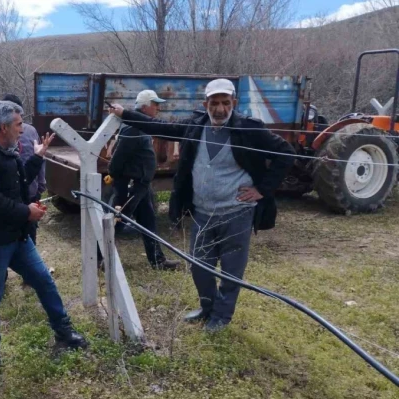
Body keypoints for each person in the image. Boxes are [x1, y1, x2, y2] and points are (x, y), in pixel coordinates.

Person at [109, 79, 295, 332]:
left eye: (225, 103)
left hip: (236, 213)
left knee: (231, 271)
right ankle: (207, 308)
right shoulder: (196, 125)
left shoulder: (249, 129)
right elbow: (159, 127)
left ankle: (221, 316)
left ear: (234, 103)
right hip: (202, 212)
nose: (220, 109)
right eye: (215, 103)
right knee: (199, 266)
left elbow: (286, 152)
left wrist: (262, 190)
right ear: (205, 103)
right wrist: (125, 114)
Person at [0, 101, 88, 371]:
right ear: (4, 126)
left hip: (17, 238)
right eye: (19, 124)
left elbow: (17, 185)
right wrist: (26, 212)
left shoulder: (7, 150)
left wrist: (38, 156)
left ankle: (64, 332)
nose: (23, 129)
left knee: (44, 281)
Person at [108, 89, 180, 270]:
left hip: (141, 184)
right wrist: (118, 178)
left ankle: (158, 261)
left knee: (149, 222)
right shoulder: (134, 128)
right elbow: (118, 157)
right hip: (131, 184)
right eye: (155, 104)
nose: (158, 108)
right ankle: (100, 258)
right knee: (117, 221)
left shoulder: (140, 124)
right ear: (145, 106)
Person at [2, 94, 46, 245]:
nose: (20, 130)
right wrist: (41, 185)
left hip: (17, 194)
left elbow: (39, 157)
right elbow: (40, 159)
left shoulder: (27, 131)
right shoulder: (31, 130)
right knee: (28, 234)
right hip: (29, 192)